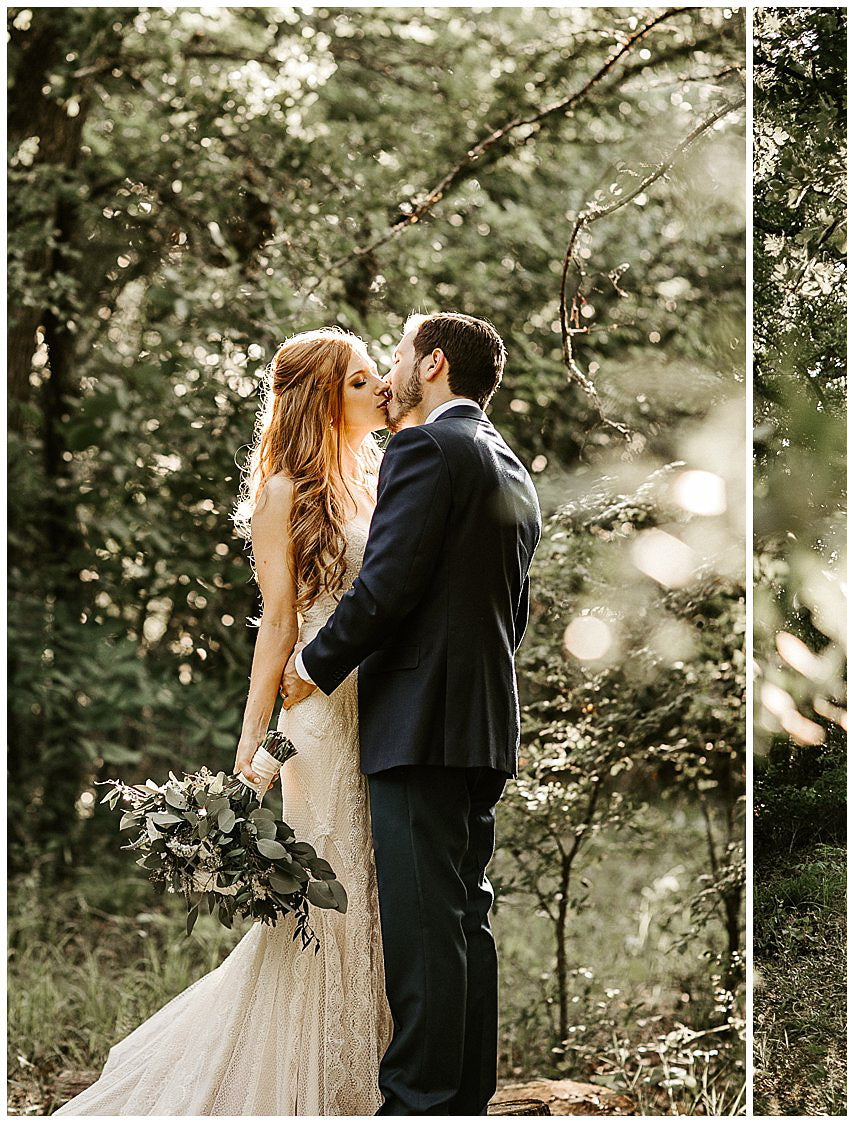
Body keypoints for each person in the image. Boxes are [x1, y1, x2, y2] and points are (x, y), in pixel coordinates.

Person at [58, 327, 395, 1114]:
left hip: (380, 705)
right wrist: (251, 755)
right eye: (358, 382)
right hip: (318, 720)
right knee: (329, 898)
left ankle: (373, 1072)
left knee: (375, 897)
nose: (380, 389)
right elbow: (277, 624)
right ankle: (306, 1089)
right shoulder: (283, 492)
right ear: (320, 398)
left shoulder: (378, 470)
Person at [280, 311, 541, 1115]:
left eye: (397, 356)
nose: (388, 374)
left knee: (425, 929)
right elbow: (510, 610)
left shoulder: (426, 448)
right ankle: (462, 1098)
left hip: (421, 722)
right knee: (466, 919)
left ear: (431, 364)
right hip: (483, 724)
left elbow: (386, 585)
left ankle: (419, 1102)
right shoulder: (509, 463)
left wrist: (311, 669)